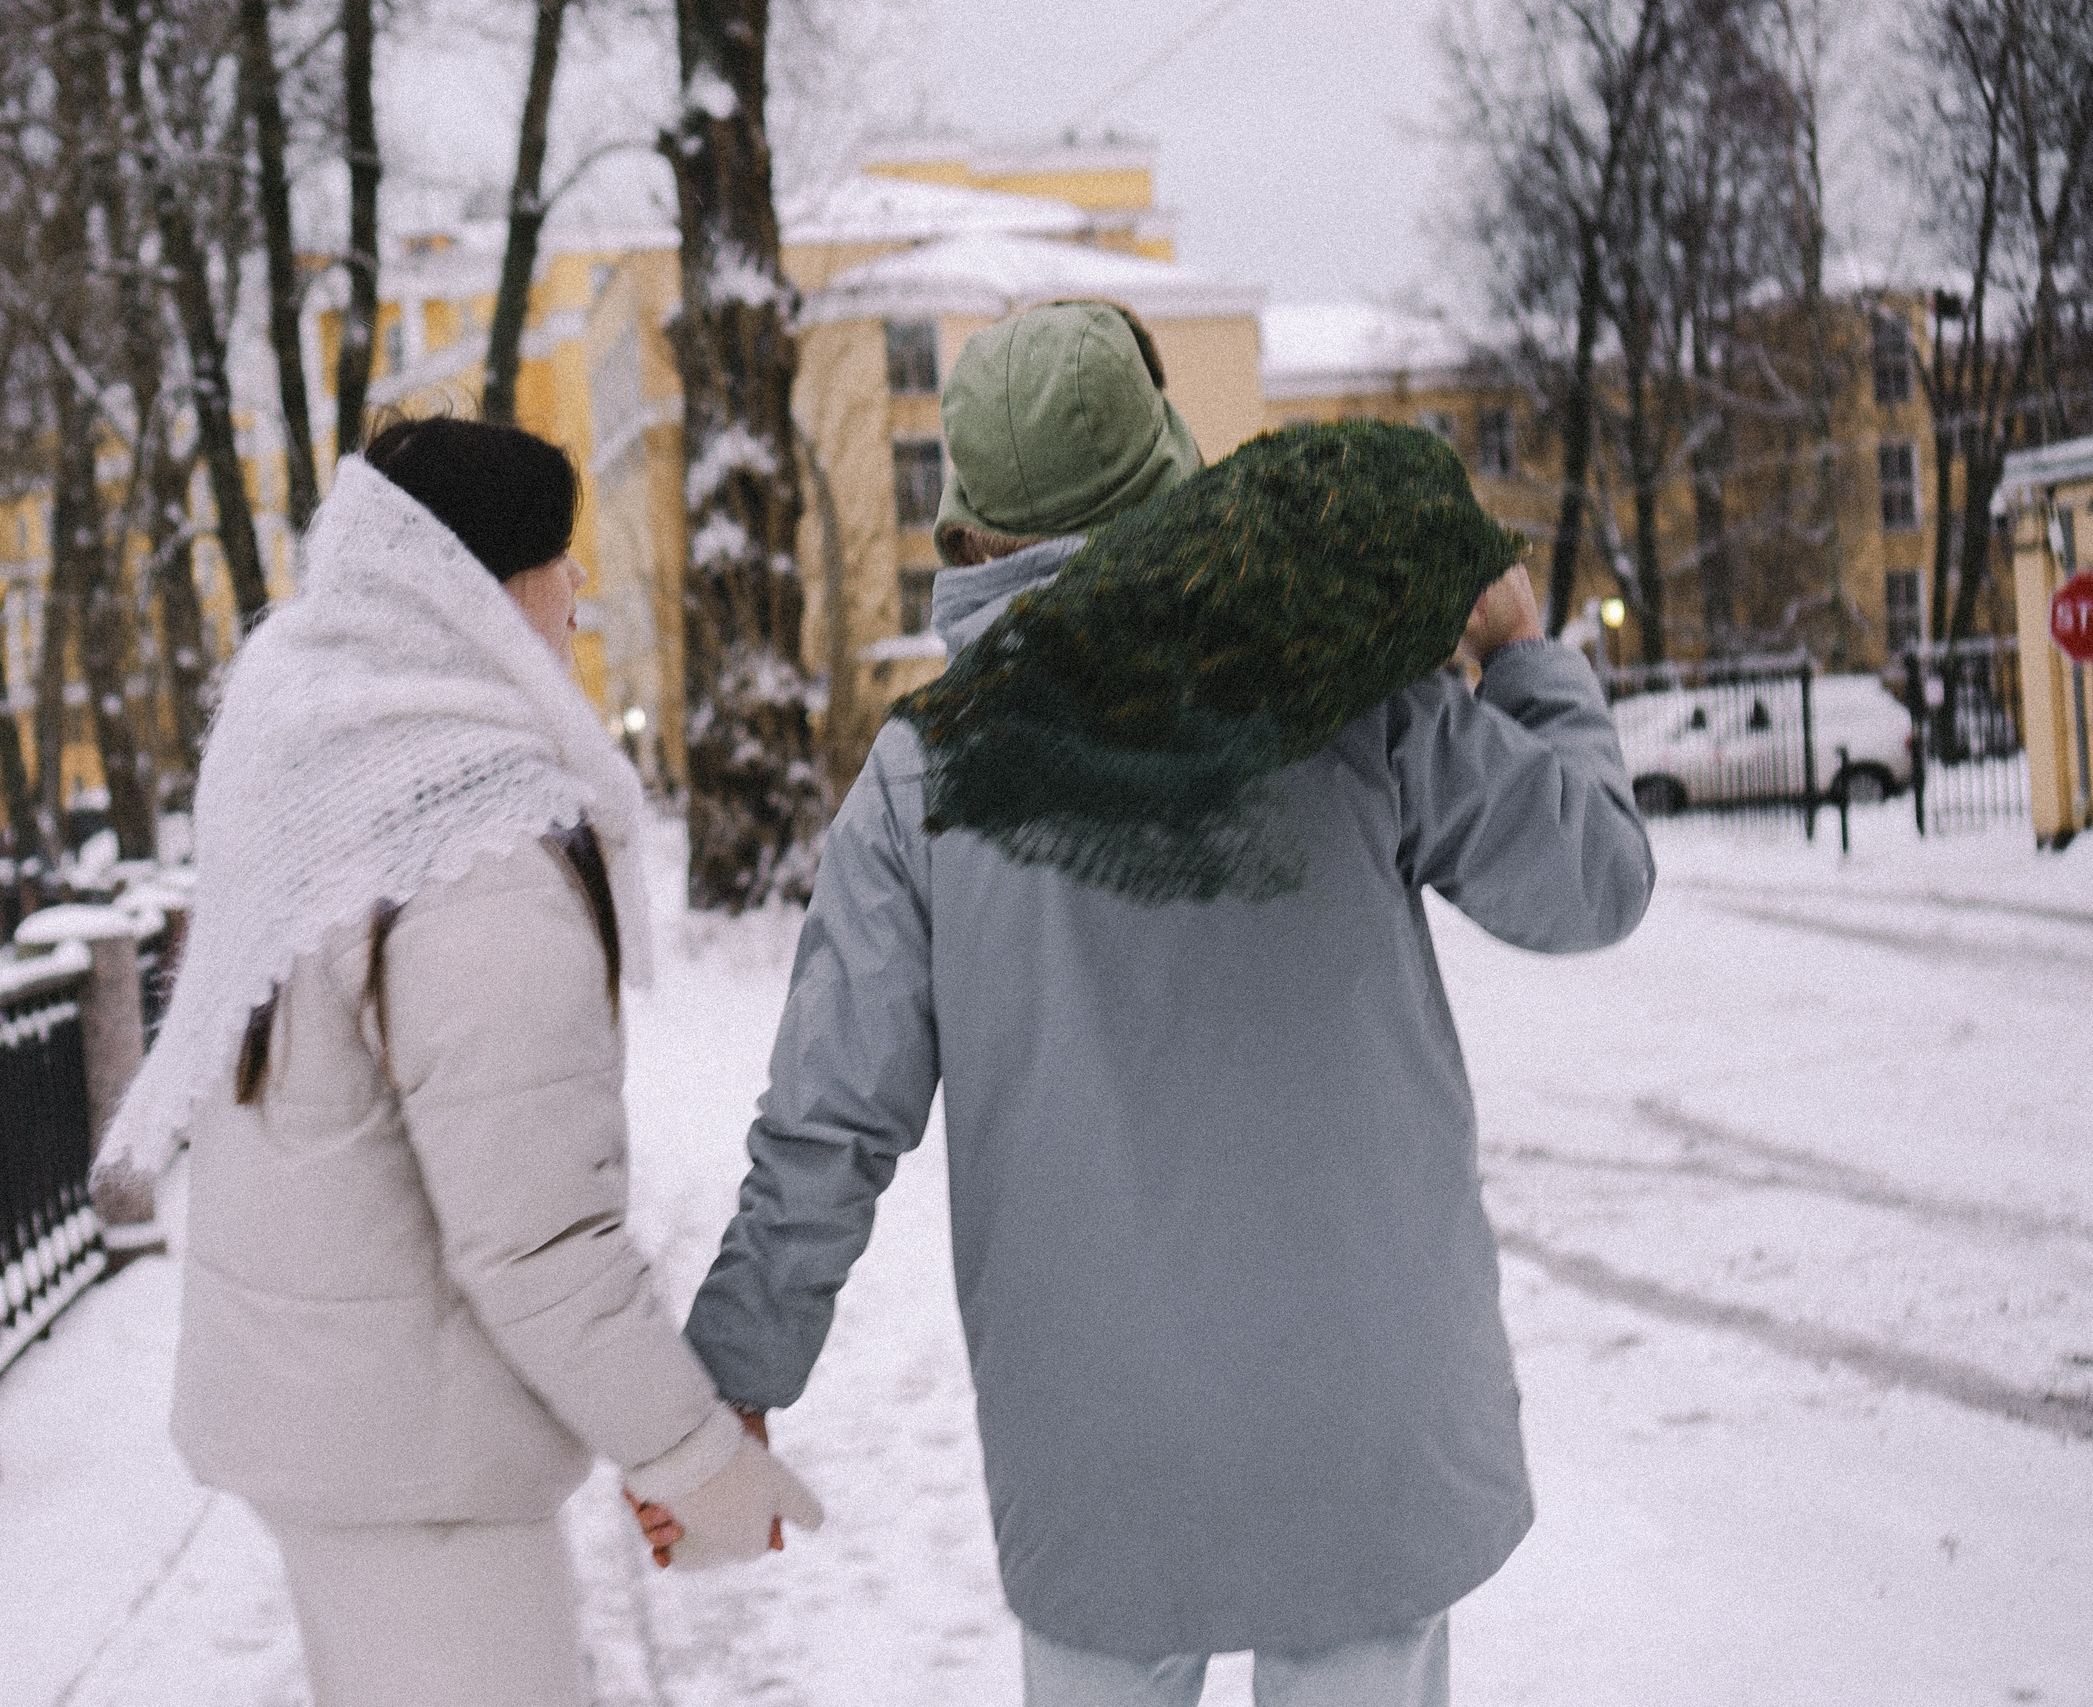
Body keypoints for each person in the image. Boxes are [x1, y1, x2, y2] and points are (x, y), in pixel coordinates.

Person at [676, 302, 1655, 1707]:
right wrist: (1523, 657)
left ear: (968, 525)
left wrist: (736, 1371)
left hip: (1102, 1451)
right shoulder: (1345, 693)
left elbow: (827, 1123)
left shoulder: (922, 779)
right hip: (1364, 1428)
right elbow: (1595, 881)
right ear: (1168, 461)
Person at [96, 415, 819, 1707]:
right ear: (476, 589)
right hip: (416, 1470)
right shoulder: (472, 838)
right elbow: (536, 1237)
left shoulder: (308, 760)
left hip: (330, 1434)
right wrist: (696, 1462)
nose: (580, 597)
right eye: (559, 563)